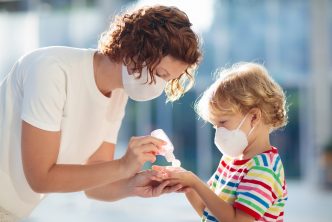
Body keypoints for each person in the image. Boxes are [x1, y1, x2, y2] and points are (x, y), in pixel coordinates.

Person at [0, 5, 201, 220]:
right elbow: (41, 178)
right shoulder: (52, 71)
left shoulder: (117, 94)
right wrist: (123, 165)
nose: (159, 87)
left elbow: (95, 186)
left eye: (167, 80)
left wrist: (134, 185)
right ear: (136, 50)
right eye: (160, 74)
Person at [154, 62, 288, 221]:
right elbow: (207, 211)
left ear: (254, 117)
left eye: (223, 123)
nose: (218, 132)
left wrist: (195, 182)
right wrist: (188, 186)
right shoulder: (229, 160)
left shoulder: (263, 170)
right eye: (215, 126)